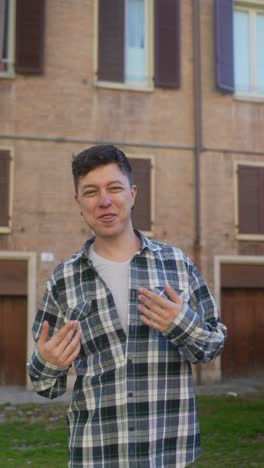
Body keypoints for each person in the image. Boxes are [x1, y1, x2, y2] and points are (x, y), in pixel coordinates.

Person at [28, 144, 227, 468]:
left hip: (168, 452)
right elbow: (43, 385)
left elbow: (212, 348)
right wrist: (48, 362)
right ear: (78, 203)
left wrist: (183, 324)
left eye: (114, 188)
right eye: (91, 192)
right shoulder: (63, 280)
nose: (104, 201)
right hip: (95, 453)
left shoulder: (177, 265)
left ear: (133, 193)